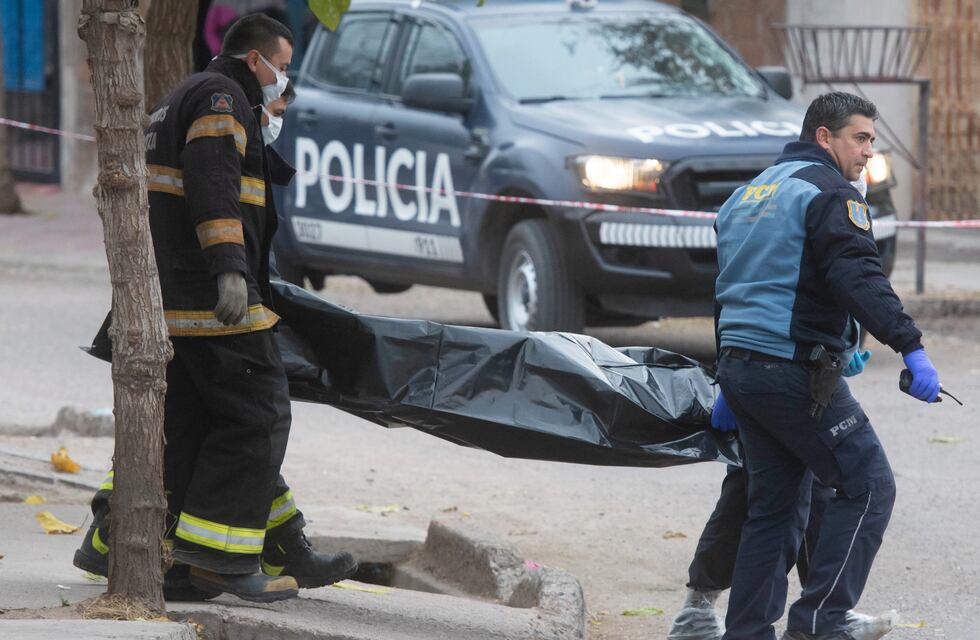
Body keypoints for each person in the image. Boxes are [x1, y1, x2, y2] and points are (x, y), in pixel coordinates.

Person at [73, 15, 356, 603]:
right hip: (212, 301)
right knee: (258, 414)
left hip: (175, 298)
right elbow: (213, 183)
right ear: (256, 61)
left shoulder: (181, 94)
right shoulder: (221, 97)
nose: (284, 84)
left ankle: (250, 546)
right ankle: (220, 557)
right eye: (284, 68)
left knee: (199, 426)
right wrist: (229, 268)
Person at [711, 92, 942, 640]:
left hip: (745, 372)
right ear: (824, 137)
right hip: (793, 371)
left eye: (871, 139)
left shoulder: (747, 194)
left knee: (775, 507)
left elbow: (726, 289)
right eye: (860, 137)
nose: (868, 151)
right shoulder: (830, 194)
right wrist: (909, 345)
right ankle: (821, 624)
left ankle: (747, 631)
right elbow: (858, 276)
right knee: (869, 486)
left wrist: (727, 374)